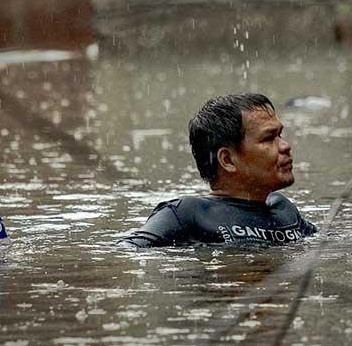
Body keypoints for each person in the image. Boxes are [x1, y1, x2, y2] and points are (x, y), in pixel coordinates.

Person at [120, 93, 317, 247]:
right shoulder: (186, 214)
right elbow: (124, 253)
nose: (285, 146)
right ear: (228, 160)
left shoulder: (284, 210)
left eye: (280, 135)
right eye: (268, 138)